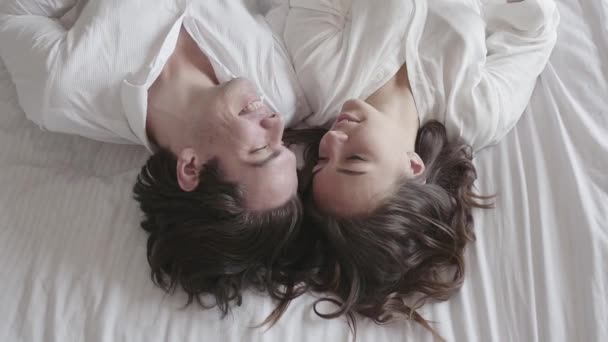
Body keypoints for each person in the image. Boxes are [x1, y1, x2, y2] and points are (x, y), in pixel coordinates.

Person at [0, 0, 313, 319]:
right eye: (284, 144)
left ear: (191, 167)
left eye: (262, 149)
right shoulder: (278, 91)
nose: (275, 123)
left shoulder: (65, 86)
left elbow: (12, 13)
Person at [280, 0, 559, 337]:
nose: (333, 141)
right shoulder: (477, 112)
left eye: (322, 161)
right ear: (413, 165)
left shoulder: (323, 77)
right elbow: (530, 33)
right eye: (354, 159)